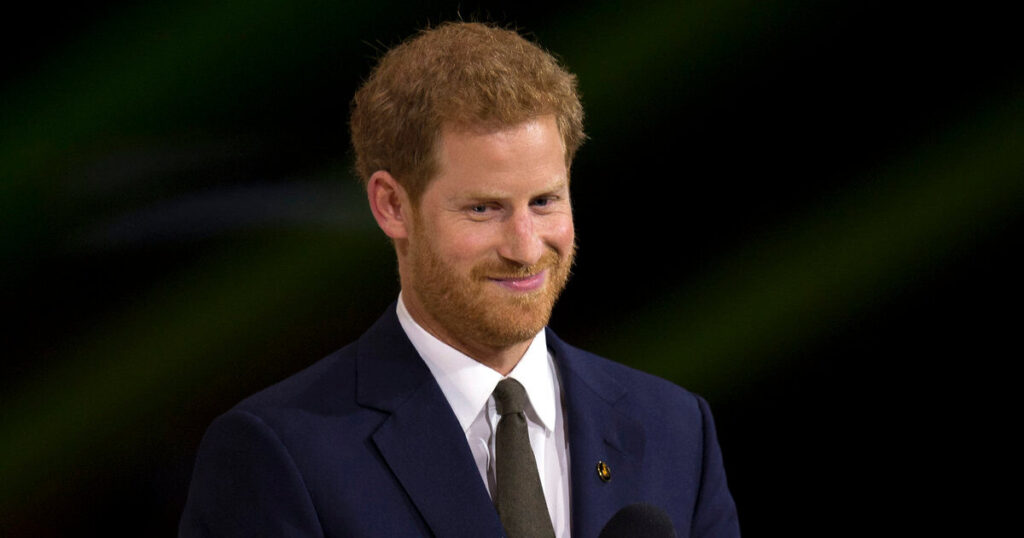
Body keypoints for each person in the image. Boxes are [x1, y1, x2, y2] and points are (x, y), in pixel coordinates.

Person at [180, 21, 739, 537]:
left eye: (544, 201)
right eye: (483, 209)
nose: (525, 248)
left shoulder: (675, 430)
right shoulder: (278, 455)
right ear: (392, 205)